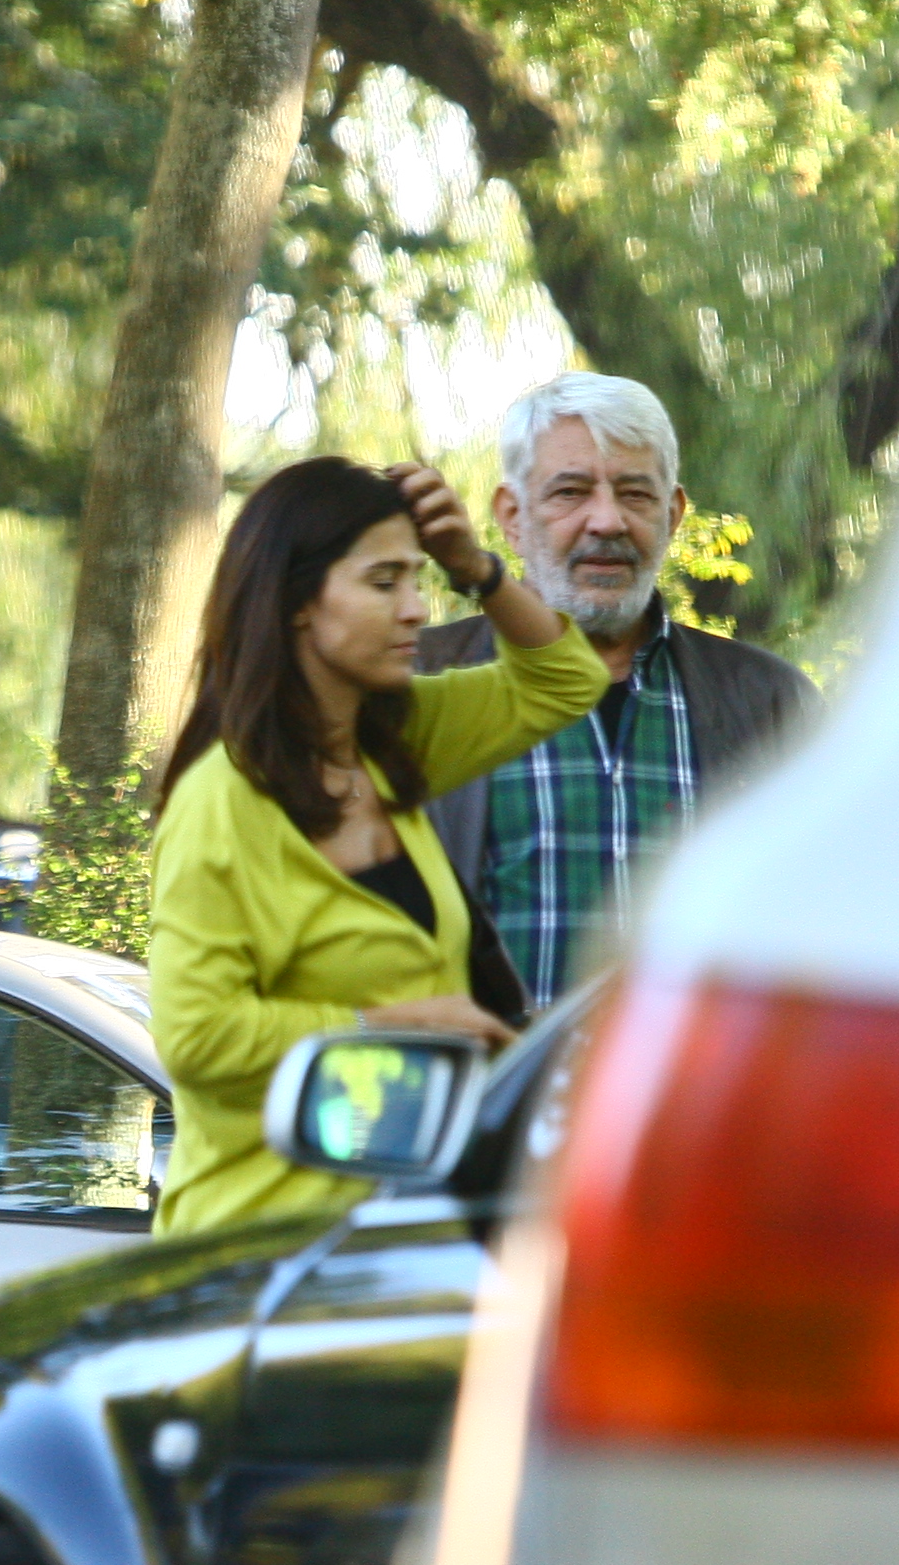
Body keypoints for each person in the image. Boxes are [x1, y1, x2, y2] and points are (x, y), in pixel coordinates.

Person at [146, 454, 610, 1237]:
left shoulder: (395, 742)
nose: (418, 611)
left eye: (419, 580)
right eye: (384, 581)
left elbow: (567, 681)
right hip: (254, 1255)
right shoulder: (221, 802)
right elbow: (195, 1037)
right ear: (298, 600)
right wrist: (400, 1023)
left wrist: (478, 568)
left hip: (397, 1240)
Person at [412, 372, 818, 1011]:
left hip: (686, 1107)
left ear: (673, 514)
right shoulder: (417, 687)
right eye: (570, 492)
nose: (607, 521)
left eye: (635, 494)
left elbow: (815, 938)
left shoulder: (771, 704)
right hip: (480, 1104)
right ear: (512, 517)